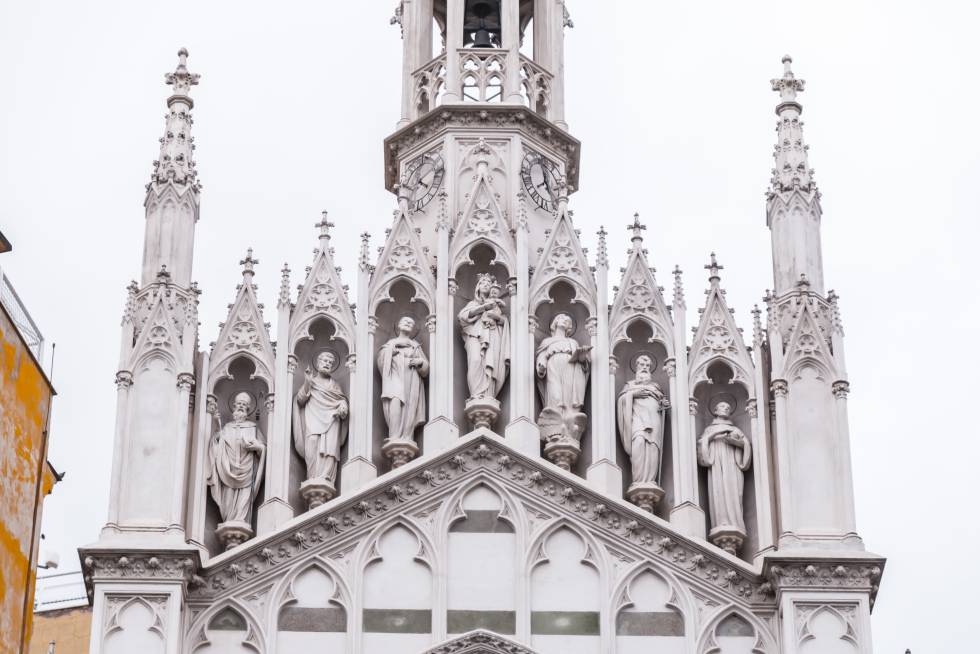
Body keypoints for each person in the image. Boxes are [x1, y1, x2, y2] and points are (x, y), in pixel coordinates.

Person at [697, 400, 752, 546]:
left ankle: (734, 523)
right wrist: (712, 436)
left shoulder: (736, 430)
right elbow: (702, 450)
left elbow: (745, 446)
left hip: (732, 467)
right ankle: (721, 522)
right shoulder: (709, 429)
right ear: (715, 410)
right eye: (722, 406)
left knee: (734, 493)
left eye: (728, 407)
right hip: (717, 469)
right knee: (719, 492)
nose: (726, 408)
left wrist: (738, 443)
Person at [207, 392, 265, 524]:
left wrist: (258, 447)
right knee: (228, 500)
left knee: (243, 502)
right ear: (233, 406)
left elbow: (262, 448)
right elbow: (215, 445)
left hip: (247, 472)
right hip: (228, 471)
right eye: (239, 403)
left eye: (244, 404)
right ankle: (229, 519)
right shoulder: (226, 427)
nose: (241, 406)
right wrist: (218, 436)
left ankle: (240, 520)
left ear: (249, 409)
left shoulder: (254, 428)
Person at [293, 350, 349, 485]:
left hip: (332, 421)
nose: (327, 364)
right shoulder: (311, 383)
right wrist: (307, 382)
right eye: (325, 361)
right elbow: (300, 400)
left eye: (330, 362)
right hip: (313, 420)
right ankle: (313, 476)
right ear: (317, 363)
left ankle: (326, 477)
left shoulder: (334, 385)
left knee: (330, 448)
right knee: (312, 443)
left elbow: (341, 399)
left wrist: (343, 405)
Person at [617, 355, 668, 486]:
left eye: (647, 366)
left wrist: (664, 404)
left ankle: (650, 480)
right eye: (642, 365)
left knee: (652, 448)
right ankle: (639, 480)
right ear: (636, 367)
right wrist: (633, 394)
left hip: (654, 421)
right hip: (638, 421)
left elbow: (661, 401)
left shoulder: (656, 387)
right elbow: (621, 401)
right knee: (639, 442)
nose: (644, 368)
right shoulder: (630, 385)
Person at [458, 274, 510, 400]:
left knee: (492, 362)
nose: (486, 284)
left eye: (488, 282)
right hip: (475, 335)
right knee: (476, 360)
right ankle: (476, 394)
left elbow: (504, 322)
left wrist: (496, 317)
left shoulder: (496, 304)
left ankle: (489, 394)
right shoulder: (472, 304)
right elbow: (462, 317)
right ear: (477, 288)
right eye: (482, 282)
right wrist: (483, 308)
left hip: (493, 335)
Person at [377, 316, 429, 441]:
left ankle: (407, 436)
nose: (408, 323)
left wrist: (419, 361)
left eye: (411, 323)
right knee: (395, 401)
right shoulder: (390, 344)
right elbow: (381, 361)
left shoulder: (415, 345)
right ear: (398, 325)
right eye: (405, 321)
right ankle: (394, 435)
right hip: (394, 378)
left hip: (412, 381)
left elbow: (425, 368)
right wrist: (391, 351)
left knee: (410, 405)